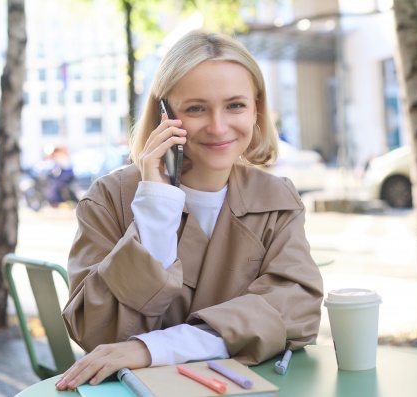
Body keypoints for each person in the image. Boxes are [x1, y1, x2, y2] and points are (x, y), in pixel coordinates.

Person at [55, 29, 324, 391]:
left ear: (256, 109)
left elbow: (296, 310)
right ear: (163, 114)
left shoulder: (277, 199)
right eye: (196, 108)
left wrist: (156, 348)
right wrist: (155, 208)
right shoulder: (108, 199)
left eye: (235, 105)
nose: (218, 127)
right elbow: (96, 330)